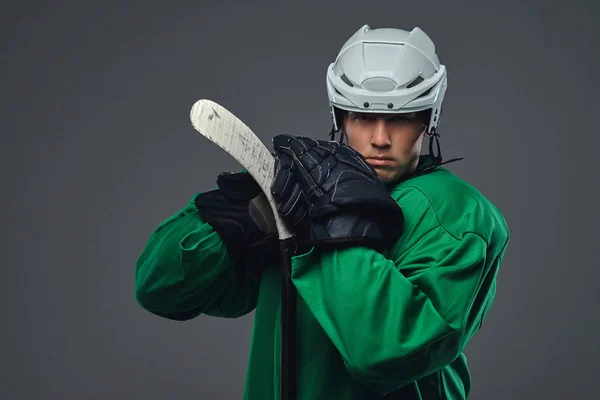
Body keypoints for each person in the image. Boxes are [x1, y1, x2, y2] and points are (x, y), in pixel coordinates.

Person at [134, 24, 510, 400]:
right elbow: (160, 290)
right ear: (341, 118)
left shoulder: (459, 214)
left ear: (429, 119)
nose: (380, 138)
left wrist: (332, 224)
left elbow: (389, 353)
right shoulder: (298, 192)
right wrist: (244, 220)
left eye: (400, 118)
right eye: (363, 118)